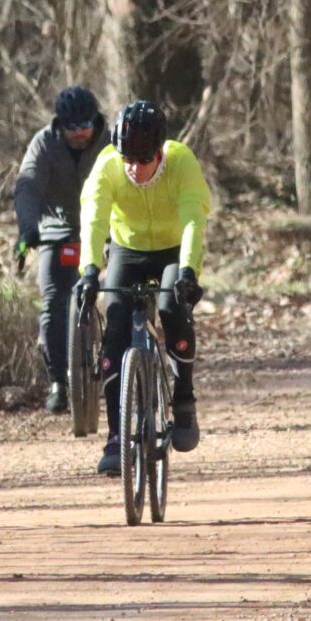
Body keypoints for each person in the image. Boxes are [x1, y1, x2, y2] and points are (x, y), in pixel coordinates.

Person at [79, 101, 211, 480]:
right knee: (115, 324)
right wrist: (89, 271)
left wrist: (188, 271)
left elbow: (192, 221)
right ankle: (116, 437)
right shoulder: (107, 166)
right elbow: (93, 218)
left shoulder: (182, 162)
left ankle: (183, 397)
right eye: (128, 160)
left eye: (142, 160)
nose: (134, 169)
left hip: (172, 251)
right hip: (127, 249)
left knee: (171, 307)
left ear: (159, 153)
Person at [13, 85, 108, 414]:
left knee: (119, 293)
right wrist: (28, 228)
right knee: (53, 301)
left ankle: (120, 365)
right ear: (60, 125)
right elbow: (28, 185)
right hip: (59, 228)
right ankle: (58, 380)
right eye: (73, 128)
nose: (81, 134)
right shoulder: (44, 143)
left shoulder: (110, 142)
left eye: (86, 126)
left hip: (106, 226)